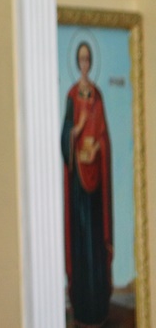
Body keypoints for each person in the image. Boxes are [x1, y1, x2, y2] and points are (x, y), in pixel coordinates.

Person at [61, 42, 113, 327]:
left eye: (87, 59)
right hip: (78, 186)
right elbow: (64, 136)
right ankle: (82, 308)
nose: (83, 63)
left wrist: (97, 150)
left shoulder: (98, 95)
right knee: (81, 242)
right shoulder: (72, 95)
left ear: (91, 62)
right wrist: (78, 129)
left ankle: (99, 306)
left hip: (95, 187)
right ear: (76, 62)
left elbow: (104, 136)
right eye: (80, 59)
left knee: (95, 243)